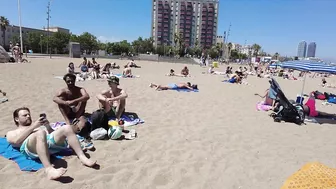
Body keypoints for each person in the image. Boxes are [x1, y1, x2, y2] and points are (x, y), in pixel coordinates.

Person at [6, 107, 96, 180]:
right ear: (16, 119)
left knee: (67, 128)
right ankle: (49, 169)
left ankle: (82, 157)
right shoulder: (12, 132)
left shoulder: (38, 127)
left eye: (29, 114)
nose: (28, 116)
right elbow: (16, 141)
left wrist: (47, 126)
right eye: (25, 115)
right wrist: (34, 127)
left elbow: (51, 134)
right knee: (40, 132)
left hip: (47, 144)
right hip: (30, 149)